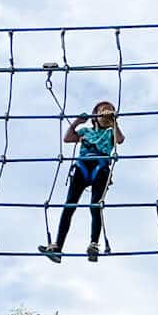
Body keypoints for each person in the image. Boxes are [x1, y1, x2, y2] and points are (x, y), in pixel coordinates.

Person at [39, 100, 123, 263]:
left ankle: (93, 244)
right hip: (82, 166)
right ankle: (57, 247)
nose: (106, 112)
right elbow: (68, 138)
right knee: (69, 205)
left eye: (110, 110)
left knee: (95, 205)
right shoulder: (86, 131)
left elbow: (120, 140)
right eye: (102, 110)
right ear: (95, 116)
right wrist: (77, 122)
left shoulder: (111, 132)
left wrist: (114, 122)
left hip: (101, 167)